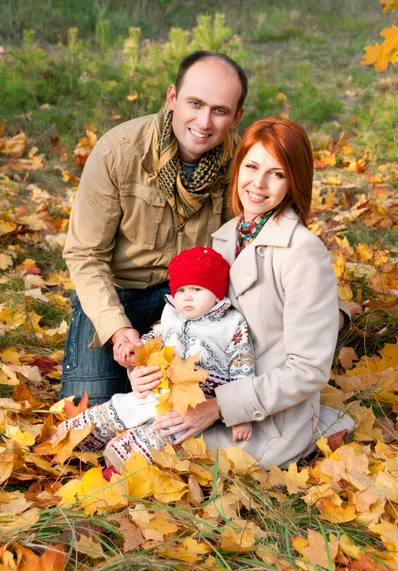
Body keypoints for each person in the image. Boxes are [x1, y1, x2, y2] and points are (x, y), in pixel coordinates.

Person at [130, 117, 354, 469]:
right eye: (252, 166)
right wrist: (148, 364)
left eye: (276, 174)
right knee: (121, 425)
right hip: (210, 385)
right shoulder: (226, 234)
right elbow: (201, 321)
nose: (259, 184)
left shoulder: (303, 252)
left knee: (148, 453)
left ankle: (314, 431)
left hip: (266, 416)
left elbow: (308, 369)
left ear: (293, 181)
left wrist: (217, 406)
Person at [61, 51, 247, 405]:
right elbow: (85, 254)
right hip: (119, 293)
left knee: (192, 410)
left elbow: (260, 245)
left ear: (236, 116)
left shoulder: (243, 164)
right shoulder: (118, 152)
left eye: (220, 111)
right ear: (172, 98)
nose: (204, 122)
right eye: (195, 103)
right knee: (90, 411)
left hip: (198, 298)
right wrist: (117, 328)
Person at [53, 246, 255, 469]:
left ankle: (124, 459)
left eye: (197, 289)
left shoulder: (231, 324)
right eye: (181, 290)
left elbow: (242, 369)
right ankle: (74, 437)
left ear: (217, 294)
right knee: (123, 405)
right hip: (158, 386)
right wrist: (137, 354)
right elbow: (156, 338)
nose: (187, 297)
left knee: (166, 430)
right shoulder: (172, 313)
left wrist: (240, 414)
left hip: (194, 401)